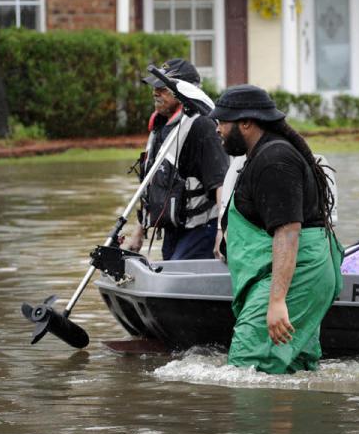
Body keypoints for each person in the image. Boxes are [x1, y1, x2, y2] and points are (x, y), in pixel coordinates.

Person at [211, 84, 343, 374]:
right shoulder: (260, 156)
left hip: (299, 274)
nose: (217, 129)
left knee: (246, 368)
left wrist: (277, 301)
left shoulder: (275, 161)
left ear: (246, 123)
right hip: (296, 273)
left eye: (222, 122)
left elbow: (288, 232)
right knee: (290, 372)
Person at [127, 58, 229, 261]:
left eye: (163, 88)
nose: (155, 93)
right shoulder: (161, 127)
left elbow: (221, 184)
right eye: (154, 87)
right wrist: (139, 231)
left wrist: (222, 232)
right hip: (173, 232)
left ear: (185, 92)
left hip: (201, 231)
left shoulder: (203, 127)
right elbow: (151, 185)